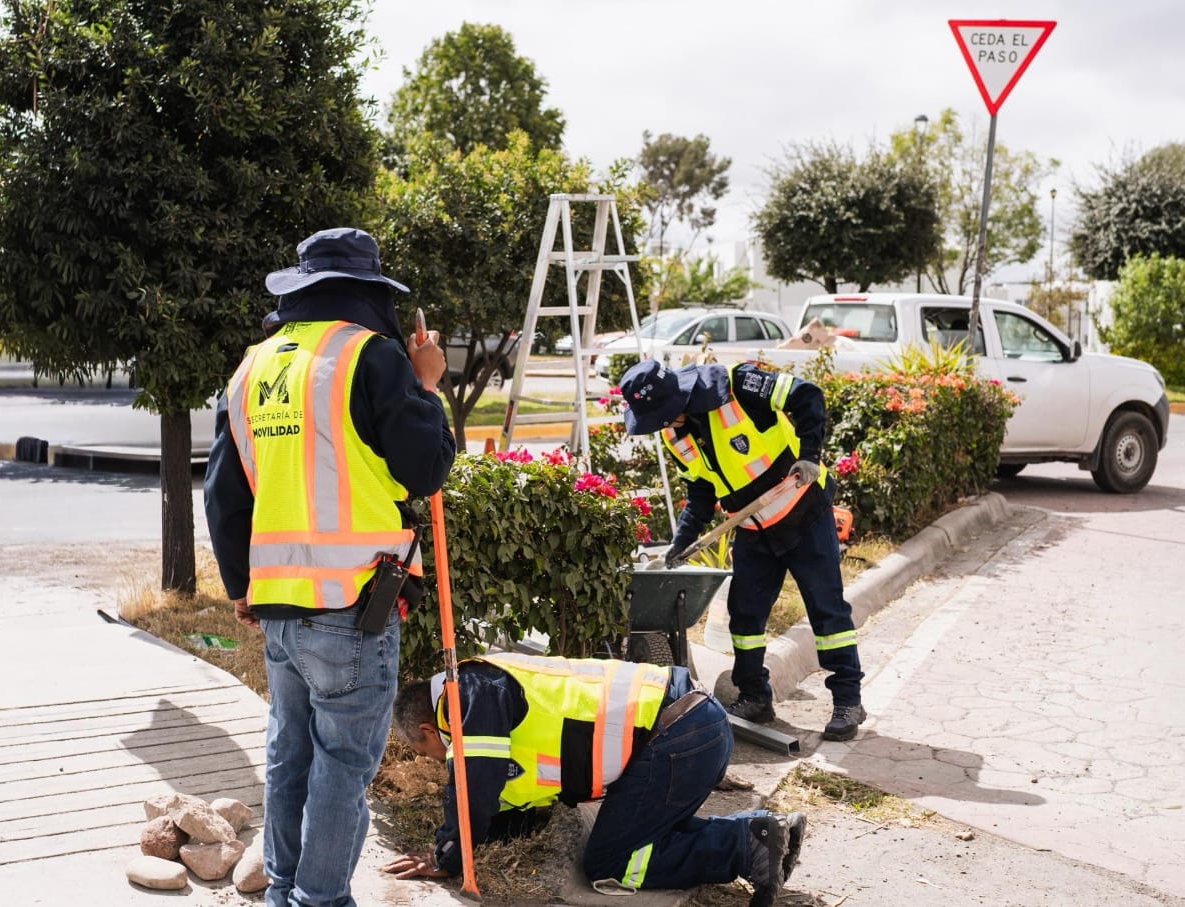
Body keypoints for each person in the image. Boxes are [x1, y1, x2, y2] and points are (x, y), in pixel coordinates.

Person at [204, 227, 456, 907]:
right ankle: (317, 898)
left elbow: (223, 493)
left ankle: (286, 887)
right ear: (369, 294)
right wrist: (427, 385)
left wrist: (239, 588)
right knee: (342, 765)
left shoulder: (253, 367)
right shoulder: (372, 359)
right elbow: (426, 467)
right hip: (354, 605)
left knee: (291, 754)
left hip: (279, 608)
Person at [382, 653, 805, 906]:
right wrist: (465, 842)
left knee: (612, 864)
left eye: (429, 753)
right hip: (689, 731)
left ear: (425, 730)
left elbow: (474, 786)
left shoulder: (470, 695)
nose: (441, 762)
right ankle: (761, 833)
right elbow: (506, 810)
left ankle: (743, 846)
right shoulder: (482, 690)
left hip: (679, 736)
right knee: (638, 841)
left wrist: (446, 854)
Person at [618, 359, 866, 741]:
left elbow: (807, 396)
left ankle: (847, 700)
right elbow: (700, 493)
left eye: (662, 417)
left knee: (826, 610)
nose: (662, 426)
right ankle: (755, 696)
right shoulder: (677, 437)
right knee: (745, 617)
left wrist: (810, 455)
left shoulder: (738, 386)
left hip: (804, 514)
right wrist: (682, 542)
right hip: (753, 529)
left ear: (677, 400)